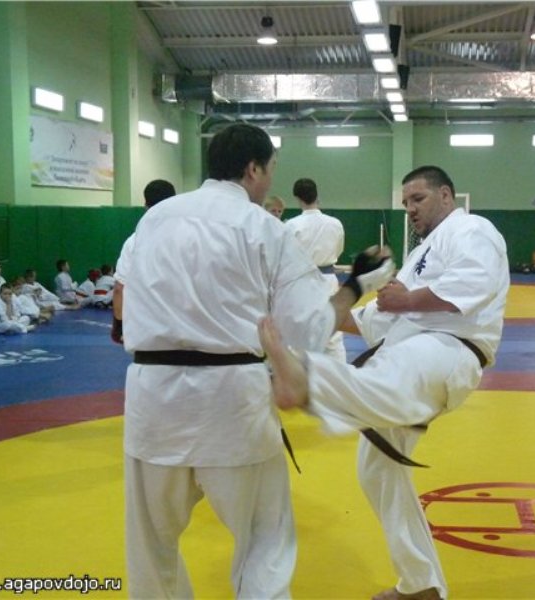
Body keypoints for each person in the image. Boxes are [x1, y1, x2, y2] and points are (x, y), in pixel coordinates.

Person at [117, 123, 393, 599]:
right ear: (253, 169)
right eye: (270, 170)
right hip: (231, 398)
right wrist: (357, 285)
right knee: (264, 538)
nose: (270, 181)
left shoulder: (154, 220)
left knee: (151, 545)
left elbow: (124, 303)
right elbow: (307, 329)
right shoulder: (261, 226)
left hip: (152, 396)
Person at [259, 165, 509, 600]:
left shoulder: (471, 229)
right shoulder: (421, 254)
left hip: (447, 350)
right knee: (377, 468)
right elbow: (371, 319)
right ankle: (421, 584)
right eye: (406, 202)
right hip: (412, 352)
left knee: (389, 378)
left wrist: (407, 299)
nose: (410, 209)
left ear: (446, 196)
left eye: (418, 199)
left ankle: (309, 382)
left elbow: (476, 283)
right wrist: (335, 299)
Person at [285, 178, 348, 361]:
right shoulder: (335, 223)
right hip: (328, 280)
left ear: (298, 198)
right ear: (316, 195)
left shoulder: (292, 225)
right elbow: (339, 250)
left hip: (301, 282)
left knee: (300, 332)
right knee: (333, 332)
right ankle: (340, 372)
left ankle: (298, 373)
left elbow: (288, 256)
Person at [111, 179, 177, 343]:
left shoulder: (134, 241)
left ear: (146, 206)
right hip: (189, 328)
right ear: (175, 202)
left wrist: (119, 326)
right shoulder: (192, 236)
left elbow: (120, 289)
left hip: (147, 330)